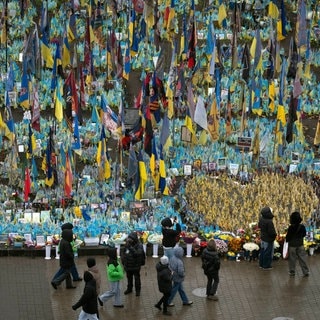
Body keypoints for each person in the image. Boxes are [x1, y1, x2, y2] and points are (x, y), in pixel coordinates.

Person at [286, 211, 310, 277]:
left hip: (292, 246)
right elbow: (304, 234)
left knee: (292, 259)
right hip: (300, 244)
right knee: (302, 258)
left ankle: (292, 271)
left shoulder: (291, 227)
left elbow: (288, 237)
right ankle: (305, 272)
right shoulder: (302, 227)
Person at [121, 231, 146, 296]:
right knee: (129, 278)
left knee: (137, 278)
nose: (129, 240)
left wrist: (130, 248)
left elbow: (138, 254)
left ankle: (138, 291)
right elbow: (123, 253)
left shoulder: (139, 245)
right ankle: (129, 289)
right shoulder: (127, 244)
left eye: (131, 239)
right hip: (128, 265)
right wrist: (123, 261)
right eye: (129, 238)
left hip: (136, 266)